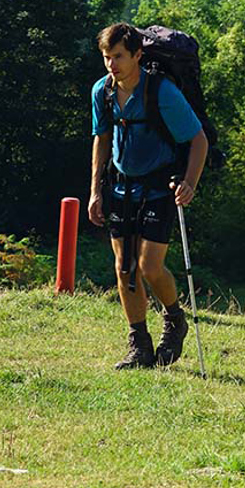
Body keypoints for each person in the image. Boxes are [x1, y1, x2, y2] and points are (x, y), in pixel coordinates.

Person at [88, 23, 208, 369]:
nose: (111, 64)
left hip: (159, 188)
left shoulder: (162, 92)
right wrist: (95, 191)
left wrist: (190, 183)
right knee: (124, 268)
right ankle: (139, 345)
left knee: (150, 267)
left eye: (118, 57)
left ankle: (174, 320)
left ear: (137, 55)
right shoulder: (102, 91)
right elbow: (101, 139)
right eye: (107, 57)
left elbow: (198, 140)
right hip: (120, 187)